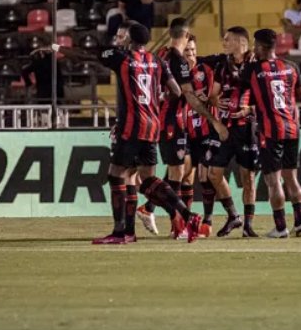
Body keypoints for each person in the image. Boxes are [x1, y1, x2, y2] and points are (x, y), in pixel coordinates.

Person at [48, 23, 204, 244]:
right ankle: (187, 216)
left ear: (130, 39)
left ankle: (121, 231)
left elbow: (86, 55)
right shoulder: (157, 61)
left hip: (131, 127)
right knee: (147, 179)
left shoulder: (122, 58)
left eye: (123, 36)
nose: (119, 40)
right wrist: (155, 102)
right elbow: (176, 91)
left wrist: (56, 47)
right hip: (152, 126)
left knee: (116, 175)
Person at [142, 18, 228, 238]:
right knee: (176, 172)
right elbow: (188, 96)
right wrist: (214, 120)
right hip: (170, 121)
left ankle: (160, 215)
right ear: (186, 34)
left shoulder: (161, 53)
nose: (191, 52)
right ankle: (176, 222)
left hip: (169, 121)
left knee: (181, 171)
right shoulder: (177, 60)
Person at [241, 29, 301, 238]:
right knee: (292, 178)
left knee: (273, 181)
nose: (253, 48)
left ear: (261, 47)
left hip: (271, 131)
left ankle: (280, 228)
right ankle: (300, 224)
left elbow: (244, 95)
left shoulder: (252, 70)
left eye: (255, 45)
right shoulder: (291, 67)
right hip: (292, 129)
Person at [205, 27, 260, 237]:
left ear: (240, 42)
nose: (224, 42)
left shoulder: (255, 65)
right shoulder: (223, 66)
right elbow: (213, 95)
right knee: (213, 173)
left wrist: (249, 109)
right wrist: (217, 101)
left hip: (247, 128)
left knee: (248, 178)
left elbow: (265, 97)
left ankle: (248, 226)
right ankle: (233, 215)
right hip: (226, 129)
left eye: (227, 39)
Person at [179, 35, 218, 237]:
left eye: (193, 50)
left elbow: (216, 94)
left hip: (205, 130)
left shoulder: (206, 69)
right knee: (185, 177)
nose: (191, 55)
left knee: (204, 176)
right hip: (185, 130)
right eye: (187, 51)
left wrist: (210, 98)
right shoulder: (176, 72)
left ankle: (208, 222)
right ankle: (184, 224)